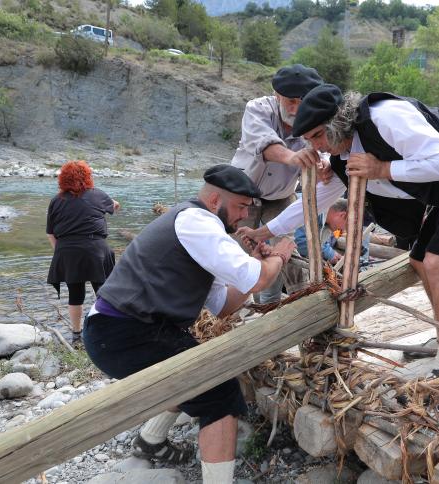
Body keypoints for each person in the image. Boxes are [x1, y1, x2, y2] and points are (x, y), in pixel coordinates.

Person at [239, 84, 439, 380]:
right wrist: (264, 231)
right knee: (419, 260)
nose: (317, 147)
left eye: (317, 136)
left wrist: (383, 169)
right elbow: (312, 201)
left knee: (438, 262)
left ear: (337, 122)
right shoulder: (343, 157)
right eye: (308, 140)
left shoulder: (385, 116)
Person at [83, 165, 295, 484]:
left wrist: (261, 265)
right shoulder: (198, 222)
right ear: (214, 201)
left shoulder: (199, 228)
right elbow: (258, 278)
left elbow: (223, 306)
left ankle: (151, 440)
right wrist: (276, 258)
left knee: (189, 369)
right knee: (221, 393)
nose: (244, 217)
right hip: (123, 333)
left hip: (125, 331)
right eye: (239, 207)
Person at [231, 64, 328, 303]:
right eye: (290, 102)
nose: (295, 109)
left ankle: (299, 301)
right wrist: (293, 158)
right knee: (239, 252)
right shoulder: (257, 109)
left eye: (301, 102)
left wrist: (325, 164)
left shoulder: (317, 115)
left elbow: (325, 148)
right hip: (241, 193)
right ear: (277, 96)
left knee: (287, 249)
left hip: (281, 195)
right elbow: (263, 141)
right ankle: (239, 307)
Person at [46, 160, 120, 343]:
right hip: (96, 248)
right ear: (87, 177)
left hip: (68, 251)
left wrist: (62, 254)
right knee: (104, 292)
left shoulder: (56, 200)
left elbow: (50, 233)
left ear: (63, 179)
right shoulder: (98, 195)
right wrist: (111, 205)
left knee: (75, 295)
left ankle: (77, 336)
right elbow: (115, 205)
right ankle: (106, 331)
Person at [294, 198, 348, 266]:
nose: (343, 231)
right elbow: (299, 243)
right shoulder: (312, 209)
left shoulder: (327, 221)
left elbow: (320, 240)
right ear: (342, 215)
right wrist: (327, 252)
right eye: (346, 226)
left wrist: (331, 253)